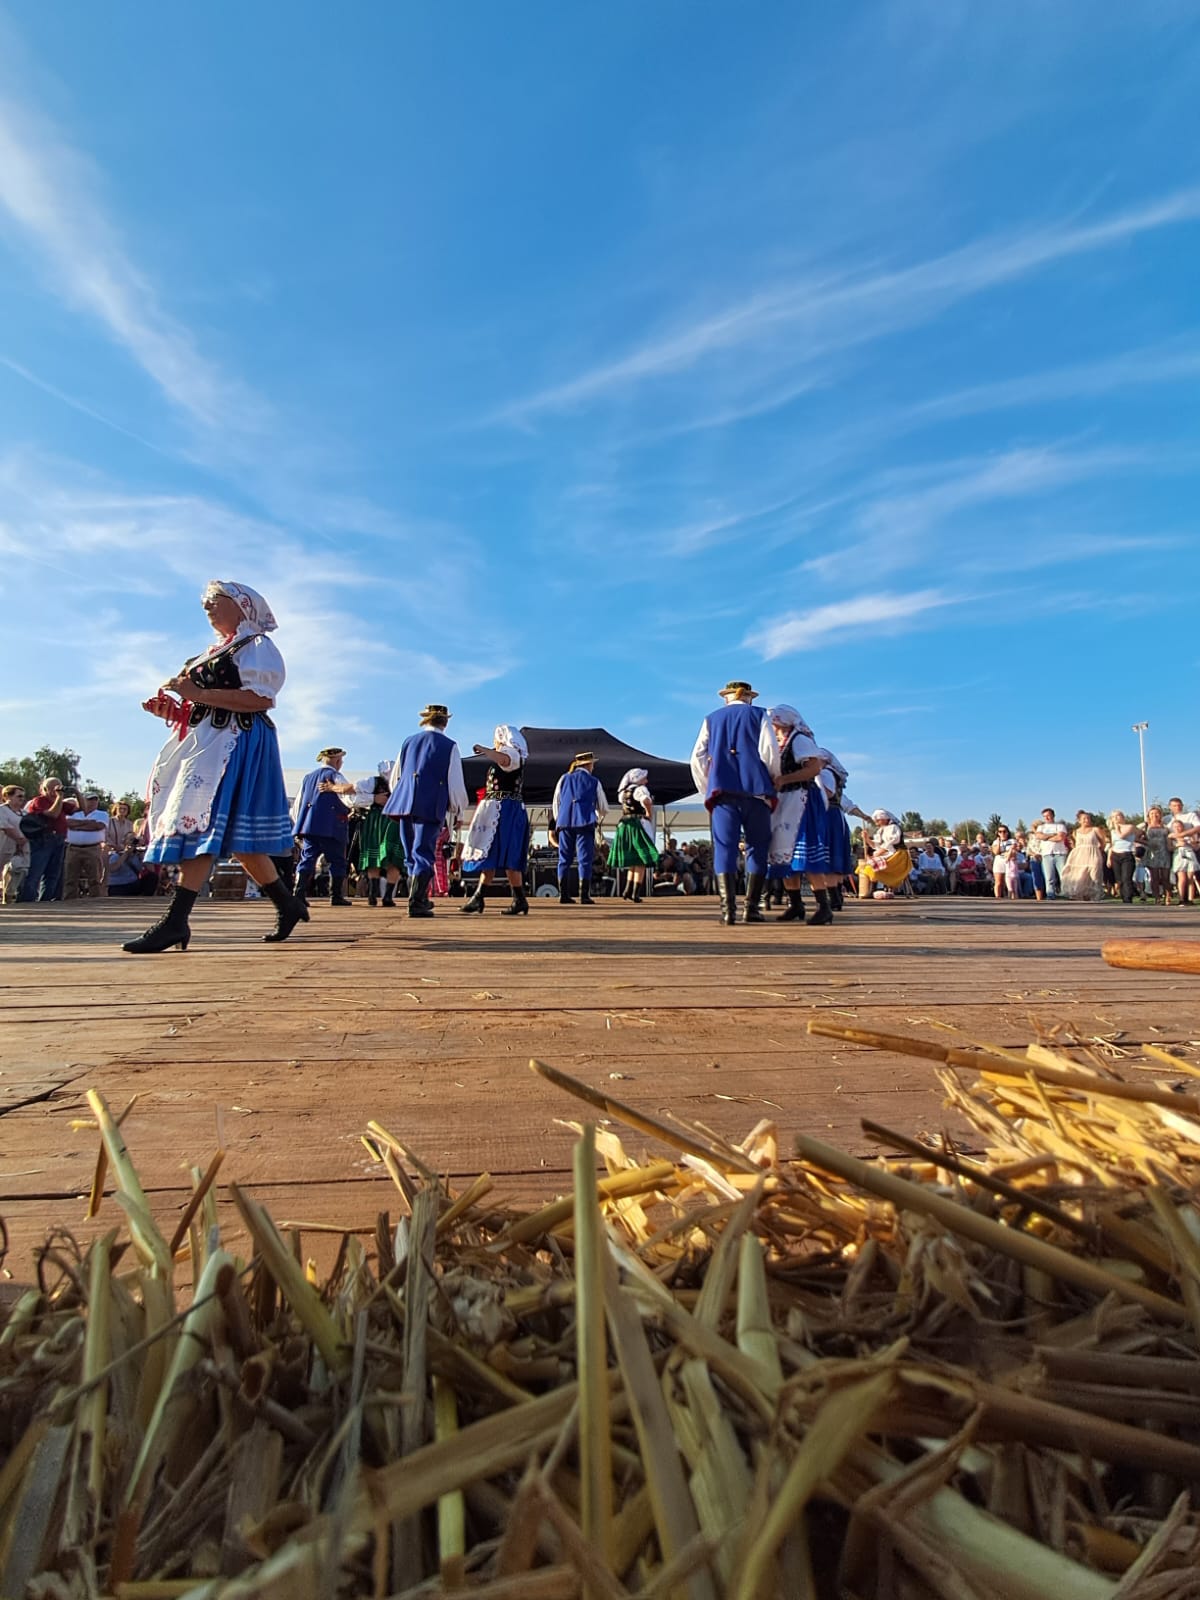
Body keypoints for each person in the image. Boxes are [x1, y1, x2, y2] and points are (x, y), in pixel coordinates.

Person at [123, 580, 306, 953]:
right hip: (208, 741)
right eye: (204, 601)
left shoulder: (256, 646)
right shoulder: (212, 652)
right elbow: (201, 708)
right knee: (235, 836)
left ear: (242, 605)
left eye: (214, 599)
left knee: (204, 822)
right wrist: (174, 711)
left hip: (237, 740)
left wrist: (197, 694)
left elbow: (259, 699)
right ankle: (286, 904)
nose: (206, 605)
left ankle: (176, 920)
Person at [690, 679, 781, 926]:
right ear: (749, 697)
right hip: (756, 791)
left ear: (725, 698)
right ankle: (751, 908)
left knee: (725, 847)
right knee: (757, 847)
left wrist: (707, 786)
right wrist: (772, 778)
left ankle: (727, 910)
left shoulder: (711, 719)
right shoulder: (760, 715)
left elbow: (697, 757)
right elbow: (769, 751)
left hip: (723, 793)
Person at [385, 704, 469, 917]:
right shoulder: (449, 746)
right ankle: (416, 902)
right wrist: (458, 810)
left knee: (410, 854)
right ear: (445, 722)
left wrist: (402, 796)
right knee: (423, 852)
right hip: (430, 803)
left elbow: (396, 777)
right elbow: (455, 782)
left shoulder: (408, 742)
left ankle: (419, 897)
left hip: (405, 803)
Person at [460, 725, 531, 916]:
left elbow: (504, 760)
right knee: (492, 853)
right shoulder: (509, 754)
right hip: (498, 811)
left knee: (506, 854)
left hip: (505, 811)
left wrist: (485, 750)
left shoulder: (512, 754)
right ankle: (483, 898)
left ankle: (515, 899)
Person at [764, 706, 825, 924]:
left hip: (801, 799)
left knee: (803, 851)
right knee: (783, 854)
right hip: (783, 801)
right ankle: (796, 904)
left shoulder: (799, 740)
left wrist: (784, 779)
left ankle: (824, 906)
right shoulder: (776, 744)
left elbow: (814, 768)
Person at [294, 747, 356, 907]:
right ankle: (335, 896)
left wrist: (299, 823)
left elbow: (299, 803)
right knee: (337, 861)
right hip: (333, 826)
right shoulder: (335, 776)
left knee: (307, 858)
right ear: (337, 761)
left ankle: (298, 893)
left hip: (310, 825)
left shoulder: (308, 778)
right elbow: (348, 797)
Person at [550, 753, 609, 905]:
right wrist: (597, 817)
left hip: (565, 822)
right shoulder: (594, 781)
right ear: (588, 765)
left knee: (564, 858)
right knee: (585, 859)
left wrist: (559, 819)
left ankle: (563, 894)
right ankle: (584, 895)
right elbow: (603, 806)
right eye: (592, 764)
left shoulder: (563, 778)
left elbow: (556, 801)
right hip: (585, 822)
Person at [19, 777, 79, 902]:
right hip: (44, 839)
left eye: (58, 788)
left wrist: (77, 793)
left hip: (59, 839)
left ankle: (46, 901)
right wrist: (59, 797)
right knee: (36, 872)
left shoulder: (60, 802)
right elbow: (53, 814)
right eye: (53, 788)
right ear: (45, 789)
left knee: (53, 874)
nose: (56, 791)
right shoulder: (39, 801)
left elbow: (82, 809)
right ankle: (27, 900)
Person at [607, 767, 659, 902]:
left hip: (625, 824)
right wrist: (649, 813)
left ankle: (627, 890)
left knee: (633, 860)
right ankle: (635, 893)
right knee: (641, 859)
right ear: (638, 779)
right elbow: (646, 800)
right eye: (644, 778)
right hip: (638, 824)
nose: (646, 781)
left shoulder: (623, 793)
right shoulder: (640, 789)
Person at [358, 775, 407, 907]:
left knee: (381, 856)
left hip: (380, 819)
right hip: (392, 818)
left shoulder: (374, 782)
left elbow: (355, 791)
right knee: (392, 857)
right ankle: (385, 896)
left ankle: (374, 895)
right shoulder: (403, 779)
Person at [64, 792, 110, 899]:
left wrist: (77, 825)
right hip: (73, 848)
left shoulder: (102, 814)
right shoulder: (72, 812)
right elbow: (68, 824)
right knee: (70, 878)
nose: (93, 802)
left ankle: (95, 901)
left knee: (95, 878)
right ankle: (69, 901)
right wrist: (88, 823)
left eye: (95, 800)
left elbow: (98, 826)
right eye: (89, 799)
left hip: (93, 848)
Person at [855, 811, 910, 898]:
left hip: (898, 856)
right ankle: (870, 890)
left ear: (885, 819)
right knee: (868, 865)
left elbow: (891, 843)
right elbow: (876, 845)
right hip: (887, 854)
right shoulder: (880, 830)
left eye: (878, 820)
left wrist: (879, 853)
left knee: (872, 864)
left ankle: (872, 890)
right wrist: (867, 838)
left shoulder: (893, 827)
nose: (876, 823)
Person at [1060, 811, 1106, 902]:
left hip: (1093, 853)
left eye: (1088, 818)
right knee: (1080, 874)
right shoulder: (1076, 832)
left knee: (1094, 874)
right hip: (1079, 854)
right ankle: (1081, 894)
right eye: (1084, 819)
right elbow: (1075, 844)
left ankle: (1094, 895)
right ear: (1079, 821)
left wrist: (1098, 850)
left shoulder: (1095, 830)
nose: (1086, 820)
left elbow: (1103, 842)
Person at [0, 784, 29, 905]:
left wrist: (24, 840)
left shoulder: (24, 813)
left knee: (18, 869)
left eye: (23, 796)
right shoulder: (2, 810)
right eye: (19, 796)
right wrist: (19, 839)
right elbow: (6, 827)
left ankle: (9, 894)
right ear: (7, 796)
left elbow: (30, 828)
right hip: (4, 844)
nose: (22, 799)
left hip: (21, 848)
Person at [1033, 808, 1070, 900]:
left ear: (1053, 815)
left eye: (1048, 815)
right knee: (1049, 877)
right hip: (1047, 854)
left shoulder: (1060, 826)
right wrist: (1052, 835)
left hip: (1060, 854)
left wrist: (1046, 837)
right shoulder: (1041, 827)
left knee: (1063, 875)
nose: (1046, 818)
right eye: (1044, 816)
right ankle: (1050, 894)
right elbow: (1039, 836)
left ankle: (1066, 893)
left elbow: (1060, 838)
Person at [1107, 811, 1140, 905]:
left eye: (1118, 816)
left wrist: (1117, 828)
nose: (1116, 818)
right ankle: (1123, 897)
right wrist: (1109, 858)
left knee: (1126, 878)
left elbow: (1122, 836)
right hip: (1115, 855)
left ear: (1122, 817)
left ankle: (1128, 898)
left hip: (1127, 854)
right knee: (1119, 880)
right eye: (1113, 817)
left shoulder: (1130, 827)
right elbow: (1113, 844)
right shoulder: (1113, 831)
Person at [1143, 806, 1173, 905]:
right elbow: (1136, 837)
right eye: (1152, 813)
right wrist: (1148, 843)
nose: (1154, 815)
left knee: (1165, 877)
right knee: (1154, 877)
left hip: (1164, 852)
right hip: (1152, 853)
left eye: (1157, 813)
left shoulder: (1166, 826)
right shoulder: (1145, 826)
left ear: (1160, 815)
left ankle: (1168, 896)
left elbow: (1170, 837)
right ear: (1149, 815)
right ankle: (1157, 897)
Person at [991, 824, 1016, 900]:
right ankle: (998, 898)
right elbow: (996, 852)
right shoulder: (995, 842)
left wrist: (1007, 853)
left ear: (1007, 832)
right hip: (999, 862)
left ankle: (1011, 898)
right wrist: (999, 842)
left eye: (1004, 831)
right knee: (998, 882)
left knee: (1009, 881)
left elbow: (1013, 851)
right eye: (1000, 832)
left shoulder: (1012, 841)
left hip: (1009, 862)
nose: (1002, 833)